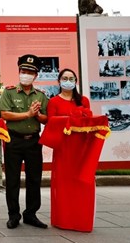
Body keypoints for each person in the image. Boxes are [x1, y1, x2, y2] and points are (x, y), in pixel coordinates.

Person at [42, 68, 104, 232]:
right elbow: (51, 122)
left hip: (81, 147)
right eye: (65, 78)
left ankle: (81, 219)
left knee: (82, 182)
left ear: (76, 81)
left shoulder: (83, 100)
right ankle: (64, 220)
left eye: (71, 78)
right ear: (59, 81)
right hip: (64, 148)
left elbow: (90, 122)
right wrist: (70, 120)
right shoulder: (54, 101)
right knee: (63, 183)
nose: (68, 81)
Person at [0, 54, 49, 230]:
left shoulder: (41, 96)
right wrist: (27, 114)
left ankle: (31, 214)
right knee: (12, 179)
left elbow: (46, 119)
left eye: (30, 72)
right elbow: (4, 114)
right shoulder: (10, 91)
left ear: (35, 76)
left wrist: (37, 115)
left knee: (34, 179)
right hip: (14, 140)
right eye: (23, 70)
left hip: (34, 141)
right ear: (19, 71)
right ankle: (14, 215)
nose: (26, 74)